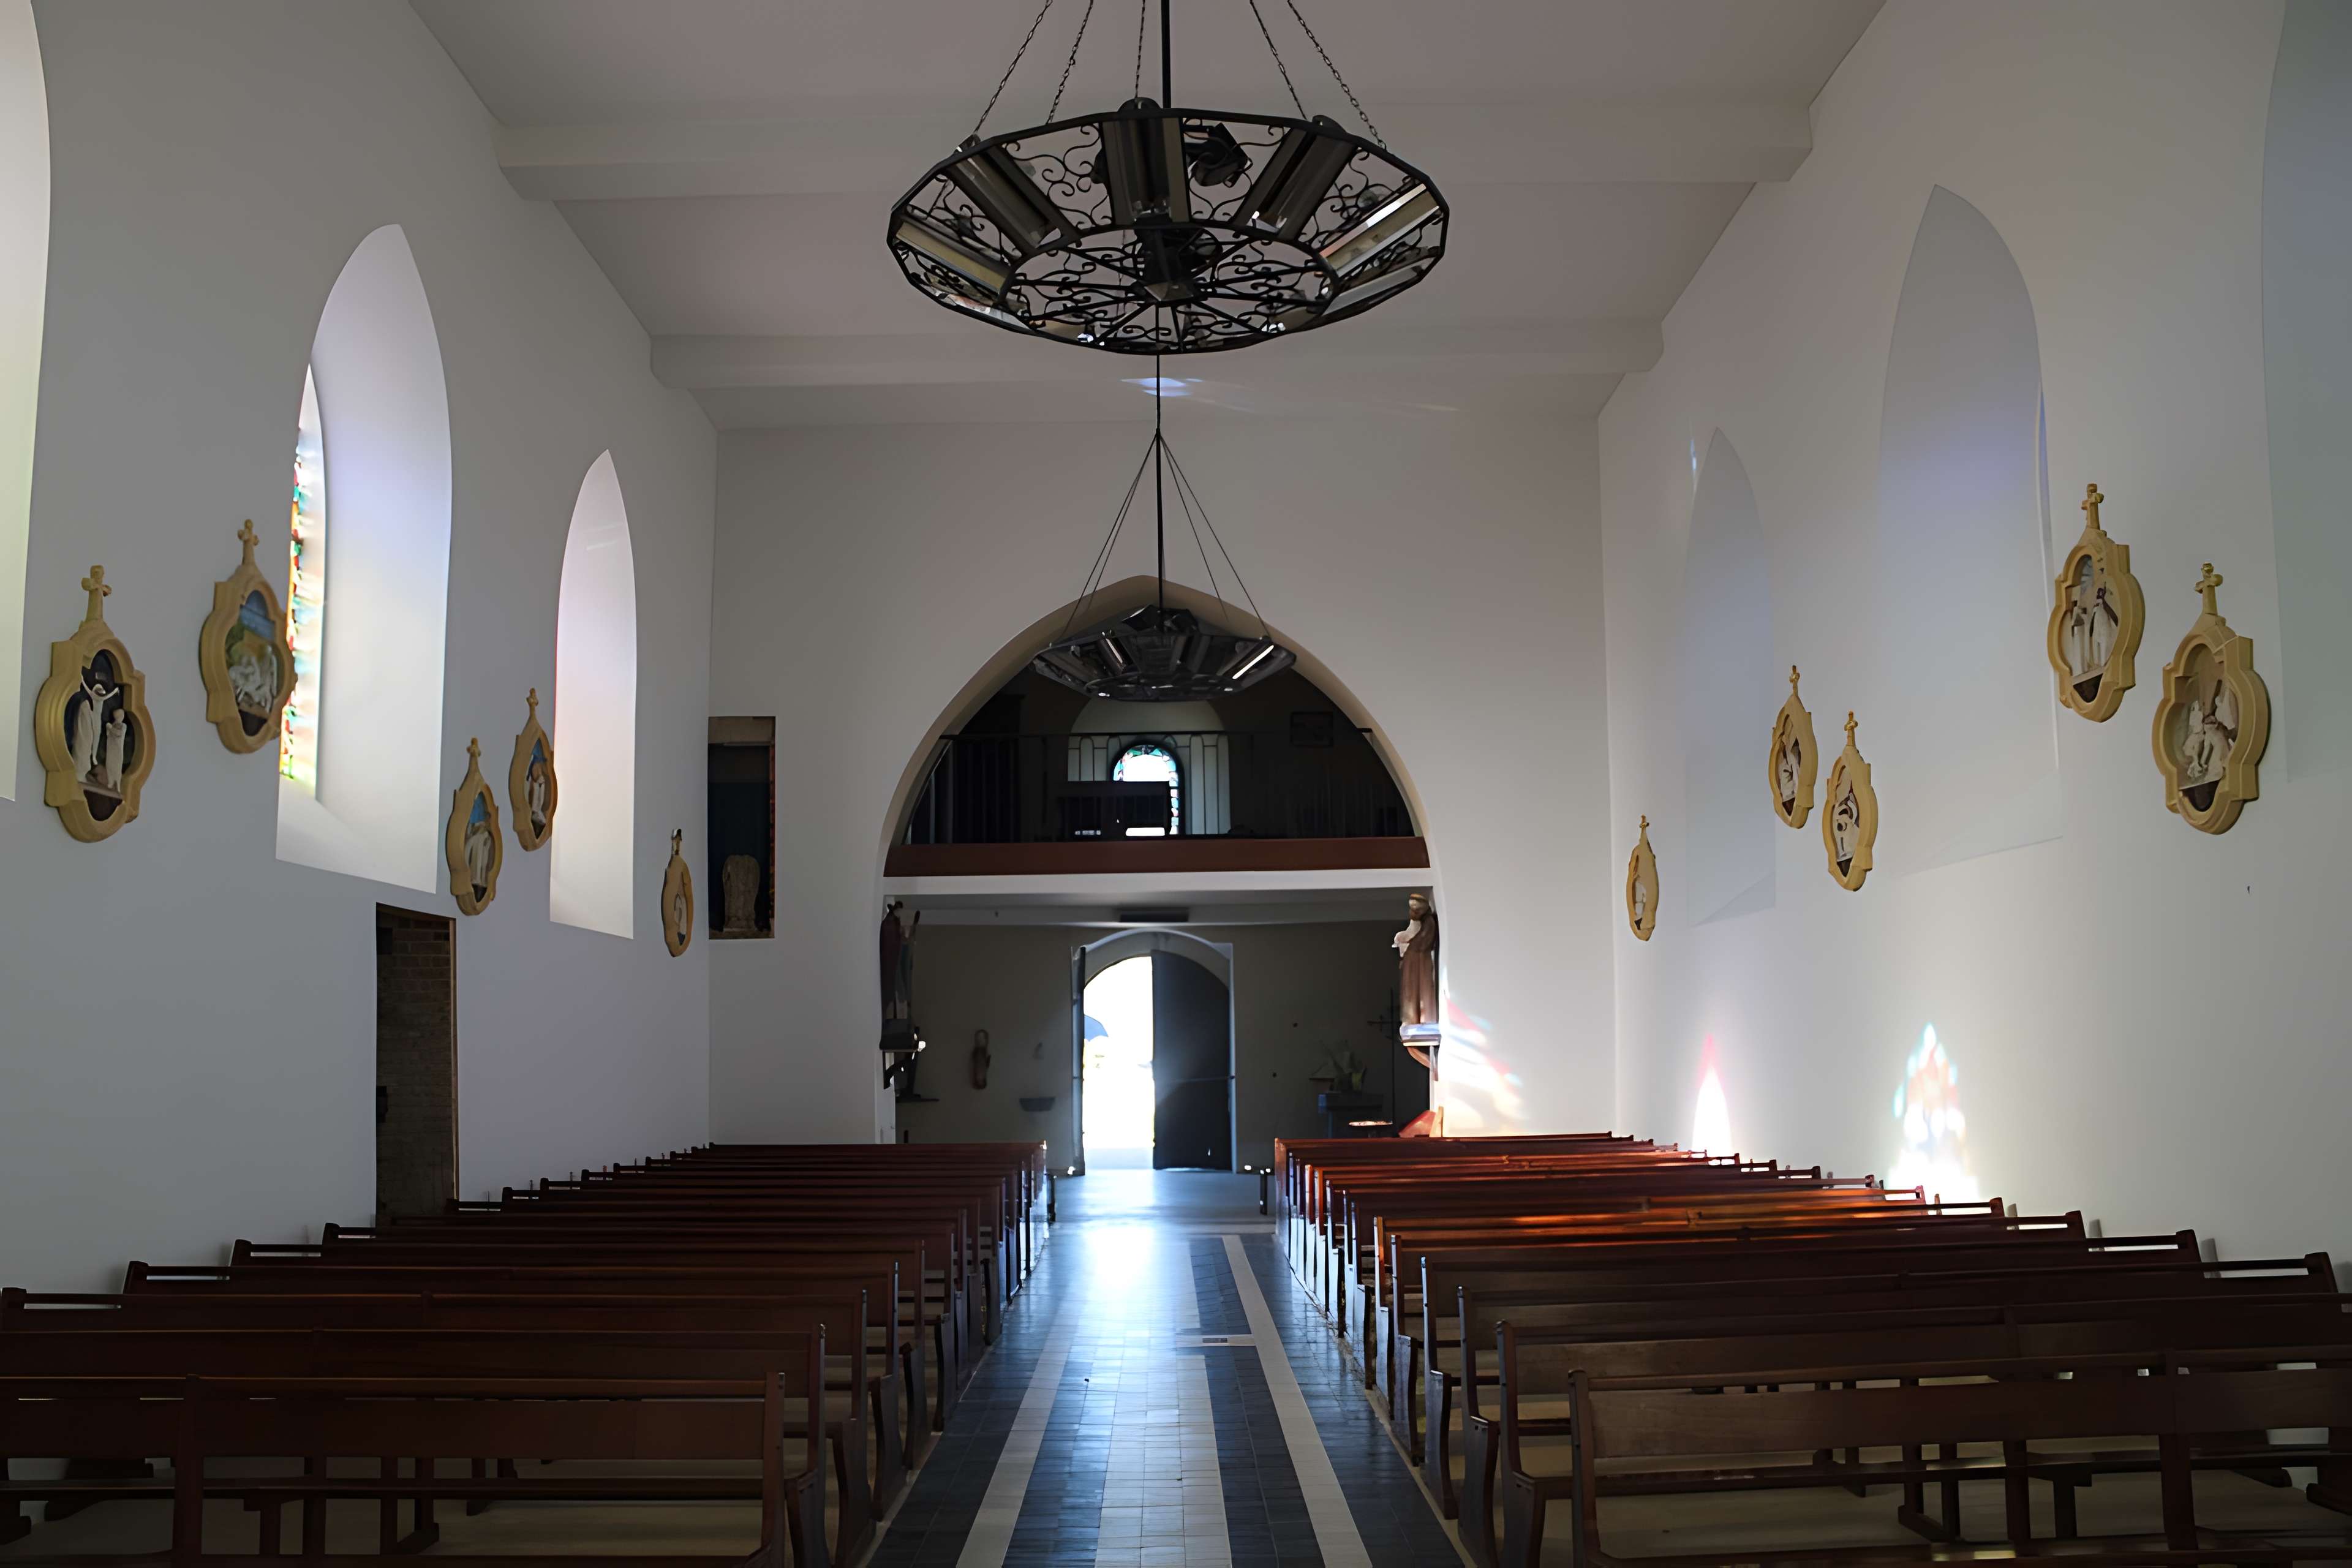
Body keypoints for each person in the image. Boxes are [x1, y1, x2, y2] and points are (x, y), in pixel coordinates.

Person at [1392, 892, 1439, 1028]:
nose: (1414, 911)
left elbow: (1423, 942)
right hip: (1413, 961)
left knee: (1420, 989)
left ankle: (1424, 1018)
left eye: (1416, 908)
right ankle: (1413, 1018)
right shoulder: (1419, 921)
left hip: (1419, 962)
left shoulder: (1429, 922)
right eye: (1412, 908)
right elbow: (1411, 932)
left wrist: (1409, 945)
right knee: (1411, 992)